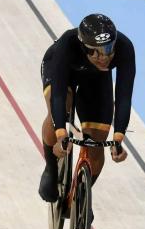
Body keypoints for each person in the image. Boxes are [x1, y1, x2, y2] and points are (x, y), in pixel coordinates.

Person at [38, 14, 135, 202]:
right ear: (84, 46)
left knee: (97, 140)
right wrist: (60, 134)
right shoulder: (67, 44)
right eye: (96, 52)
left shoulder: (124, 47)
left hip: (96, 78)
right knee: (60, 108)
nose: (104, 57)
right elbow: (57, 95)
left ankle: (80, 198)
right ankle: (51, 168)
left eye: (108, 49)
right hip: (61, 71)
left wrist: (118, 138)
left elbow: (124, 97)